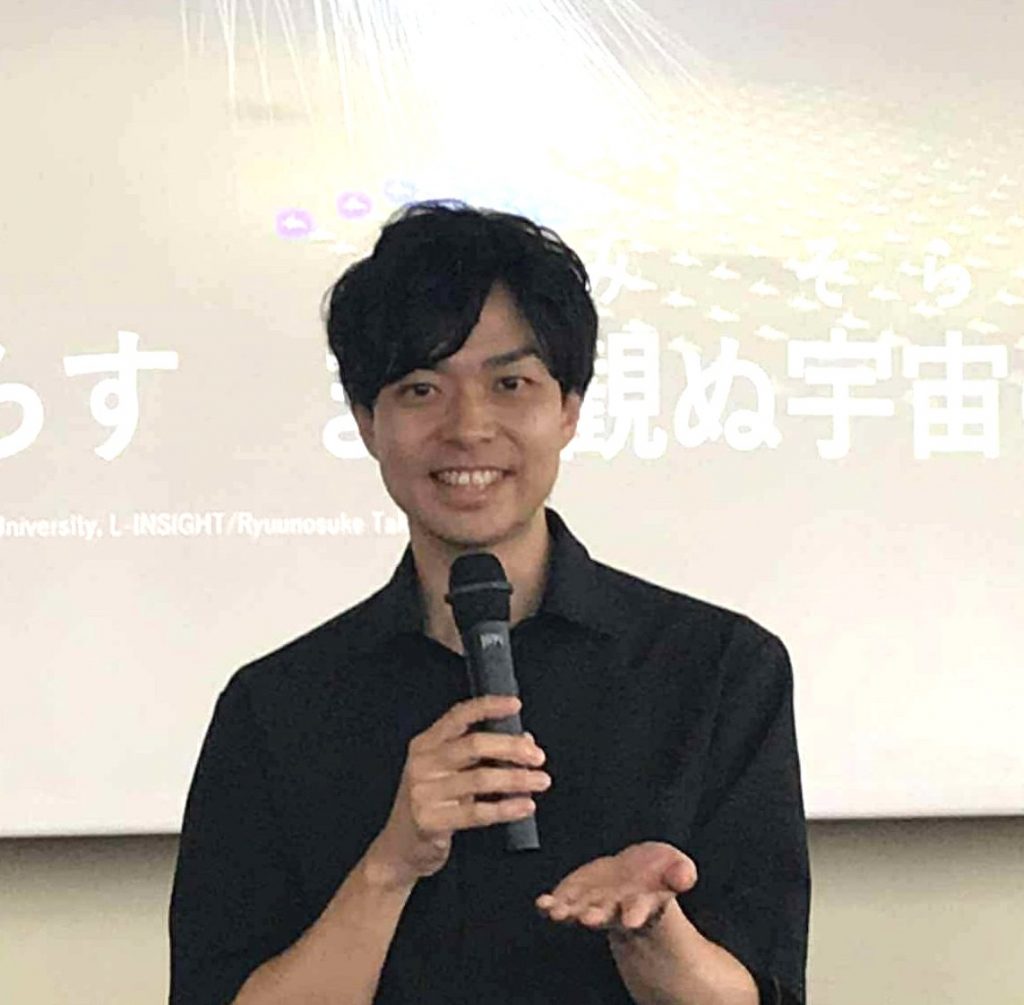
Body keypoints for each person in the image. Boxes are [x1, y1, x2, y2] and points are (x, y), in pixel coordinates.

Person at [169, 201, 810, 1005]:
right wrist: (390, 864)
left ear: (569, 408)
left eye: (511, 384)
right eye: (421, 388)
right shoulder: (276, 706)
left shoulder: (717, 669)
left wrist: (651, 932)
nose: (469, 427)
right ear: (367, 423)